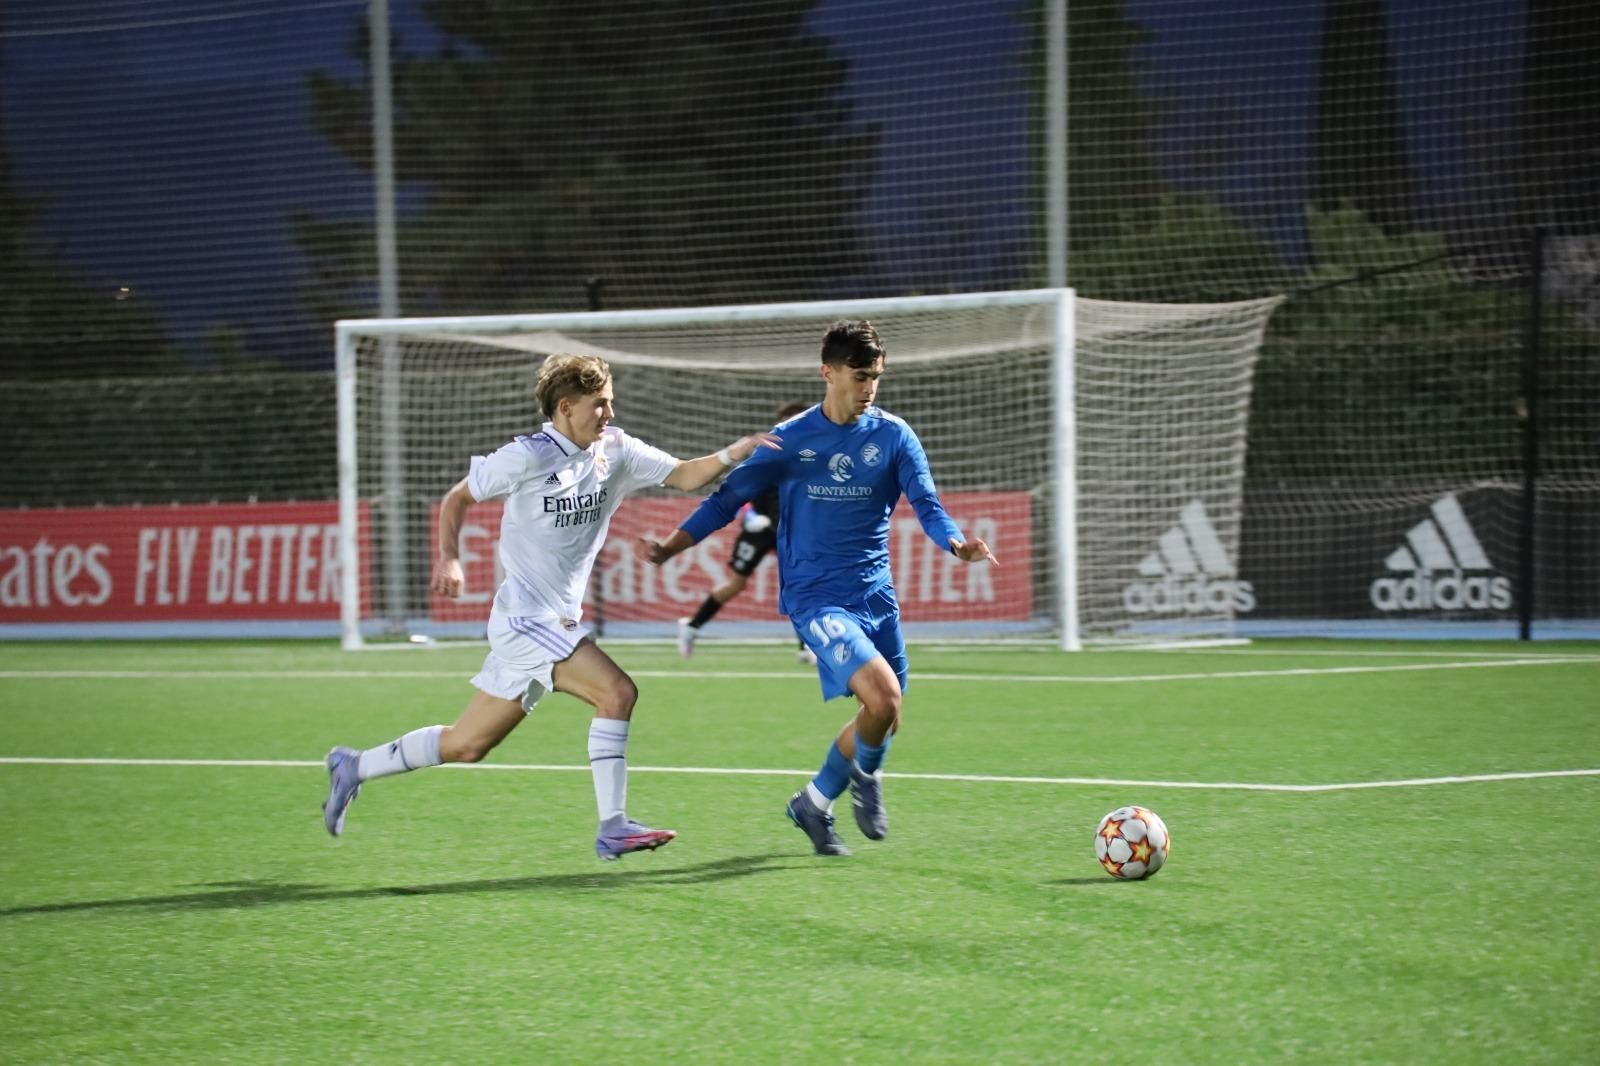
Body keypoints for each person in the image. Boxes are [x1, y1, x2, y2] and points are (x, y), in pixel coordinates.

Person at [321, 352, 779, 860]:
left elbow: (688, 475)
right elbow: (457, 500)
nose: (610, 412)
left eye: (610, 402)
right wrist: (449, 559)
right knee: (617, 692)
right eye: (600, 404)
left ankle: (353, 766)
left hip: (553, 622)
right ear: (566, 407)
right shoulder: (526, 456)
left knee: (467, 745)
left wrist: (736, 451)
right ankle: (613, 826)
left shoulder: (616, 450)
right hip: (524, 619)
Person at [640, 320, 995, 857]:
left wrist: (955, 543)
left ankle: (813, 802)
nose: (869, 388)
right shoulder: (790, 441)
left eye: (875, 377)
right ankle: (867, 780)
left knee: (885, 714)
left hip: (876, 595)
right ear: (828, 373)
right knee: (885, 698)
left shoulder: (894, 436)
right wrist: (670, 547)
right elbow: (723, 501)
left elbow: (928, 505)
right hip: (816, 599)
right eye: (859, 376)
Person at [677, 400, 817, 665]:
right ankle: (692, 626)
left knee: (801, 582)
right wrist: (751, 517)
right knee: (736, 583)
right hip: (759, 528)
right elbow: (737, 492)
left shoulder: (812, 455)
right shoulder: (765, 453)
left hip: (790, 529)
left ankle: (806, 647)